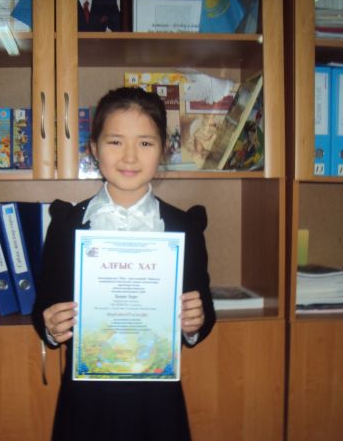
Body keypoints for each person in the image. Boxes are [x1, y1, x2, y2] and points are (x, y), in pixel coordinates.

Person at [32, 87, 216, 441]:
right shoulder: (67, 224)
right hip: (86, 399)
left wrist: (194, 323)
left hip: (157, 400)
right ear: (93, 148)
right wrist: (51, 326)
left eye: (145, 143)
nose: (130, 156)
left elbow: (203, 310)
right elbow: (44, 305)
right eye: (115, 142)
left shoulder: (184, 227)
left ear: (164, 149)